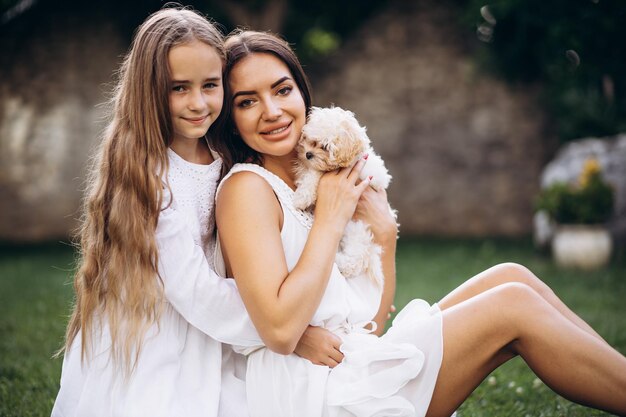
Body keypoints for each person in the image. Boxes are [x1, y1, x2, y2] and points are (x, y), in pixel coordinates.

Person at [212, 30, 626, 417]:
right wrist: (330, 219)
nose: (272, 111)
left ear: (303, 94)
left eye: (282, 90)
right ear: (230, 119)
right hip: (311, 393)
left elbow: (369, 325)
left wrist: (385, 238)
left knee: (509, 275)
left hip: (350, 361)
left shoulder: (324, 178)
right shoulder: (247, 189)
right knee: (512, 303)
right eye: (247, 101)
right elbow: (281, 332)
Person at [51, 9, 333, 417]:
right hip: (160, 339)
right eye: (179, 88)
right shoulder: (149, 178)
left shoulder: (223, 155)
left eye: (210, 85)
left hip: (221, 328)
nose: (198, 103)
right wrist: (296, 332)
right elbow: (197, 293)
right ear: (148, 90)